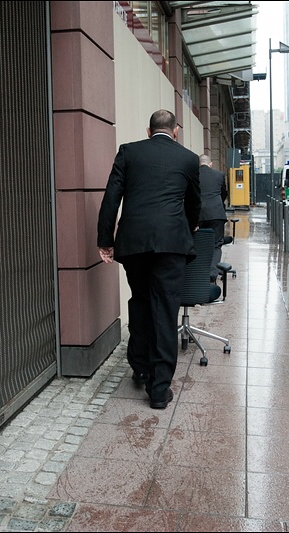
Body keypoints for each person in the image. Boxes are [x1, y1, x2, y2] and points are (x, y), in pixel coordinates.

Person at [97, 109, 201, 410]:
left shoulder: (129, 152)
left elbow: (111, 198)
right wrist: (188, 228)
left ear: (148, 130)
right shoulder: (188, 159)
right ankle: (158, 390)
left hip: (134, 244)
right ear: (176, 131)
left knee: (141, 302)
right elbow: (194, 204)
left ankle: (140, 367)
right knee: (165, 310)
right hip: (171, 245)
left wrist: (105, 240)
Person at [197, 153, 229, 283]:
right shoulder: (219, 175)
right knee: (216, 245)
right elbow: (223, 193)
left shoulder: (193, 174)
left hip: (198, 215)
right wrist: (217, 204)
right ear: (211, 164)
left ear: (198, 164)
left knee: (199, 244)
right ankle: (212, 274)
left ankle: (199, 272)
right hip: (216, 214)